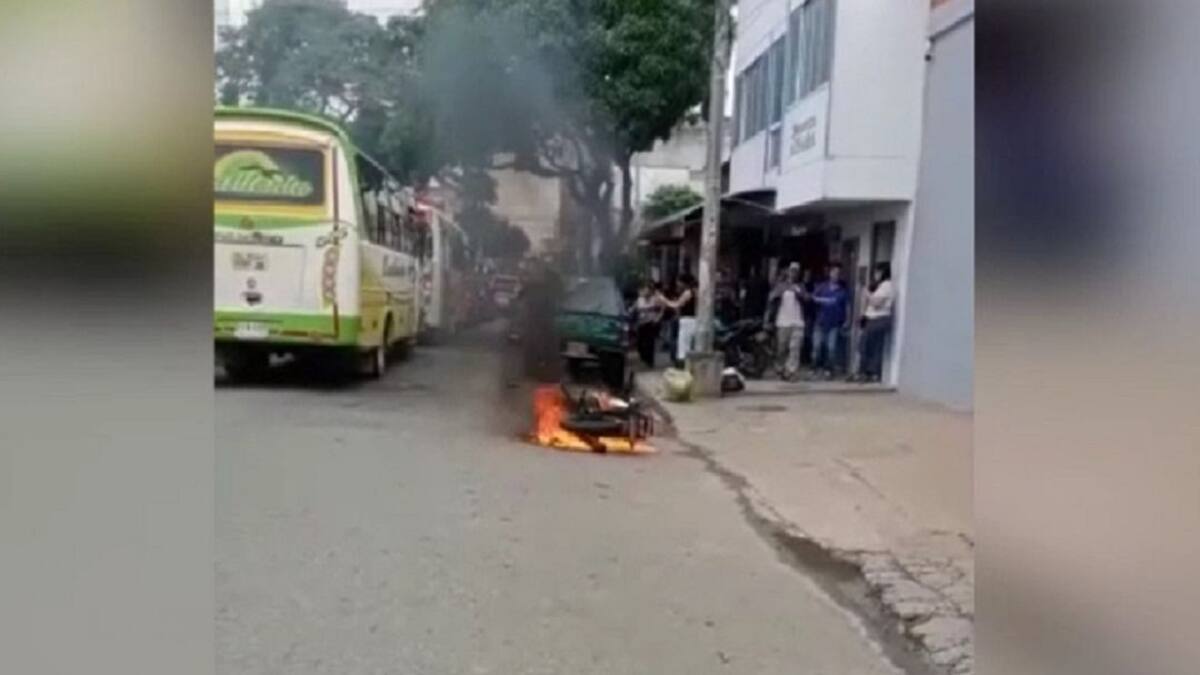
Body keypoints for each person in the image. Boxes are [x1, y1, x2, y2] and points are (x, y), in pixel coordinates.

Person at [811, 263, 850, 378]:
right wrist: (824, 300)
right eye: (834, 272)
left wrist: (847, 320)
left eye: (838, 273)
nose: (836, 275)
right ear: (830, 273)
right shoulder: (822, 287)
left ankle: (829, 370)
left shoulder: (842, 290)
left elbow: (847, 306)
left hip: (834, 323)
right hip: (820, 322)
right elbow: (813, 298)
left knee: (831, 348)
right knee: (817, 346)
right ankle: (815, 367)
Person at [857, 263, 895, 382]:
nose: (876, 275)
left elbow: (876, 303)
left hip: (878, 319)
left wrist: (867, 293)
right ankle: (870, 372)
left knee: (867, 347)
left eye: (878, 272)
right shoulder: (880, 286)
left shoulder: (886, 285)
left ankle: (867, 372)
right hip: (874, 319)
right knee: (870, 347)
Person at [768, 263, 805, 380]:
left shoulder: (800, 286)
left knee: (795, 348)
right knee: (781, 348)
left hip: (797, 322)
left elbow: (806, 297)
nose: (793, 273)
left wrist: (797, 291)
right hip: (783, 322)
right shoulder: (781, 286)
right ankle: (781, 368)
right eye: (791, 271)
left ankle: (791, 371)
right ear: (788, 272)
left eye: (796, 271)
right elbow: (771, 298)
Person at [659, 274, 697, 368]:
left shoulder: (688, 293)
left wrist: (664, 300)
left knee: (684, 346)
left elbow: (676, 305)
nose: (678, 284)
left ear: (684, 283)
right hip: (694, 320)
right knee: (689, 345)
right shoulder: (695, 291)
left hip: (687, 321)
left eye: (679, 281)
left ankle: (683, 367)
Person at [632, 282, 664, 369]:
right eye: (644, 290)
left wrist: (657, 319)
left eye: (648, 290)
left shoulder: (655, 299)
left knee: (650, 343)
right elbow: (634, 311)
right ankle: (643, 357)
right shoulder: (639, 300)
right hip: (641, 323)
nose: (646, 292)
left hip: (650, 323)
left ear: (650, 291)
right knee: (640, 343)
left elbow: (661, 309)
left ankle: (650, 361)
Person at [799, 267, 817, 367]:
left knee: (808, 337)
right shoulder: (800, 285)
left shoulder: (813, 285)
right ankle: (802, 357)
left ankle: (806, 357)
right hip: (801, 314)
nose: (807, 276)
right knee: (802, 337)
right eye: (806, 274)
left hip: (809, 314)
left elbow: (812, 298)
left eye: (809, 274)